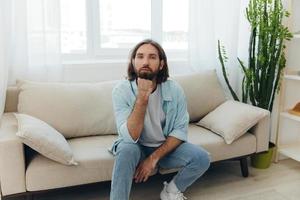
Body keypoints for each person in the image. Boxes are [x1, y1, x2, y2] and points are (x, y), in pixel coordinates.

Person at [110, 39, 210, 200]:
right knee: (126, 149)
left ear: (161, 64)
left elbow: (180, 129)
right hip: (136, 147)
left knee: (202, 157)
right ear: (133, 62)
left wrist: (153, 159)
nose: (145, 62)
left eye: (152, 57)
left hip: (163, 147)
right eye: (140, 56)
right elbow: (130, 136)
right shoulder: (121, 91)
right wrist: (142, 97)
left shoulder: (174, 89)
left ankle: (171, 190)